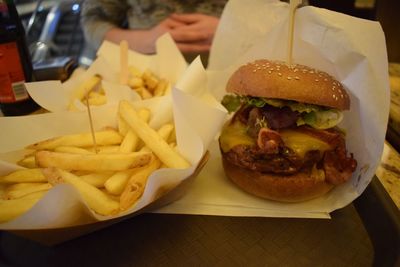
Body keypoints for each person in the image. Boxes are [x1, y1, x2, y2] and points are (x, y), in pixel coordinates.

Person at [81, 0, 228, 54]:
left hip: (231, 76)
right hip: (144, 82)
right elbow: (93, 21)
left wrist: (230, 31)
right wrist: (145, 41)